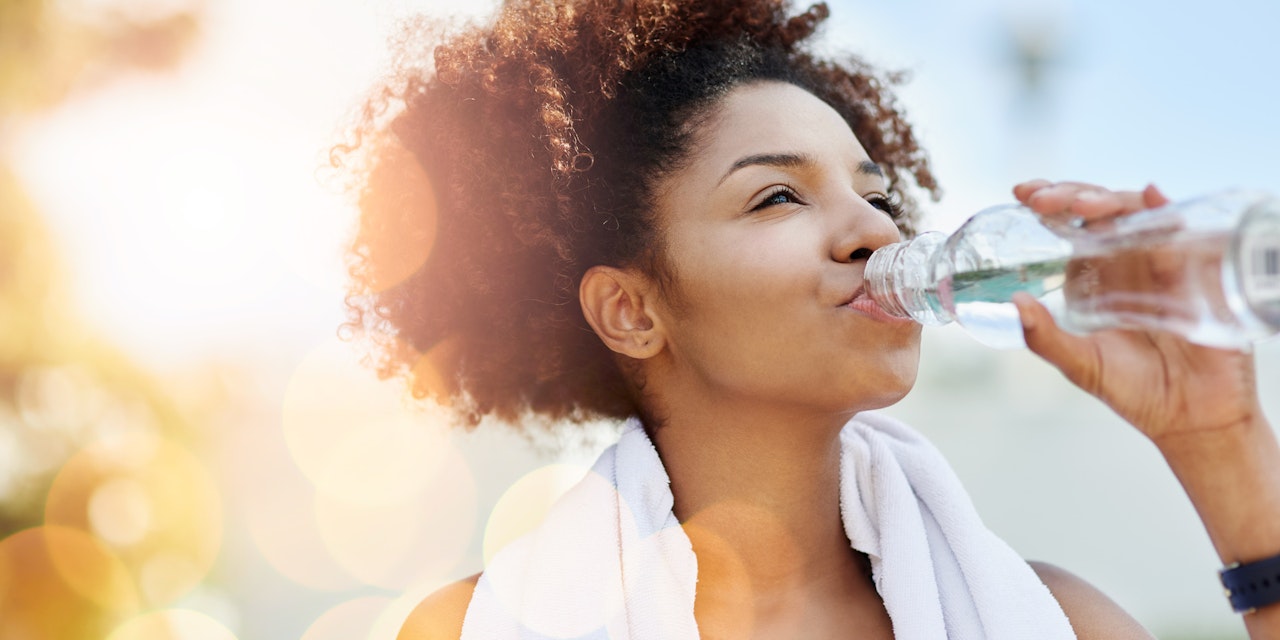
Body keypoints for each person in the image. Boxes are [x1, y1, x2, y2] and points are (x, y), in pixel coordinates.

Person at [334, 1, 1278, 638]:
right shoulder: (485, 625)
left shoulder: (1055, 619)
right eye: (779, 196)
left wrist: (1222, 443)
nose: (873, 228)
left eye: (876, 194)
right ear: (631, 310)